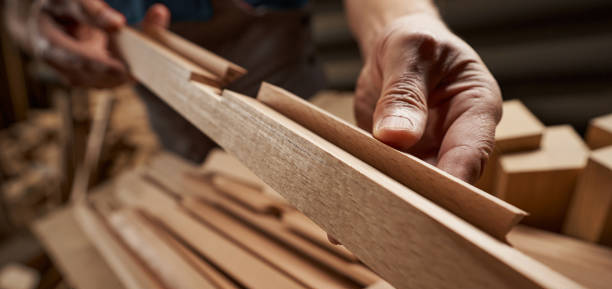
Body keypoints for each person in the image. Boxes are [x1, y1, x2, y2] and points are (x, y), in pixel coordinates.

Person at [4, 0, 502, 184]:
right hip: (138, 47)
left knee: (308, 174)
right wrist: (32, 17)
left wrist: (403, 21)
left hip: (269, 35)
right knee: (201, 178)